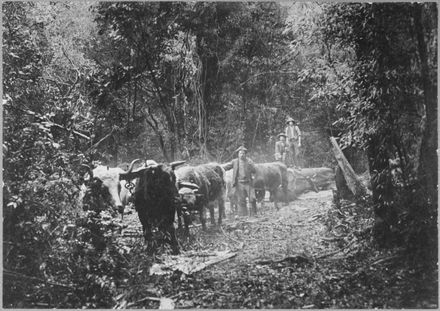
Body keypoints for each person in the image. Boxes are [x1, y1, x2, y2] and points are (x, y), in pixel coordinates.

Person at [223, 146, 257, 216]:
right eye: (240, 153)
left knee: (252, 198)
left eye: (243, 153)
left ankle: (254, 213)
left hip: (248, 183)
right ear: (238, 154)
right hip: (239, 183)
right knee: (241, 200)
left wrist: (252, 166)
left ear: (245, 154)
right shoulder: (235, 162)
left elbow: (254, 170)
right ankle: (243, 215)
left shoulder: (249, 161)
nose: (242, 154)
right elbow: (227, 167)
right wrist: (219, 168)